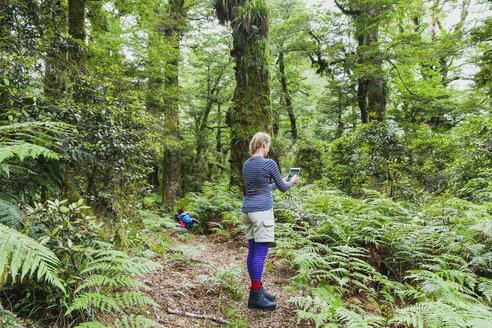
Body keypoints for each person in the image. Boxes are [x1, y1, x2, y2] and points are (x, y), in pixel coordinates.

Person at [242, 132, 300, 311]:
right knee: (260, 253)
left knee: (252, 251)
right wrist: (292, 181)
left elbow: (261, 187)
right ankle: (255, 297)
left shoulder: (246, 164)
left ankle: (257, 290)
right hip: (262, 212)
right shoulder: (269, 163)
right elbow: (284, 189)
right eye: (268, 144)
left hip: (248, 211)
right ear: (264, 143)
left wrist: (278, 182)